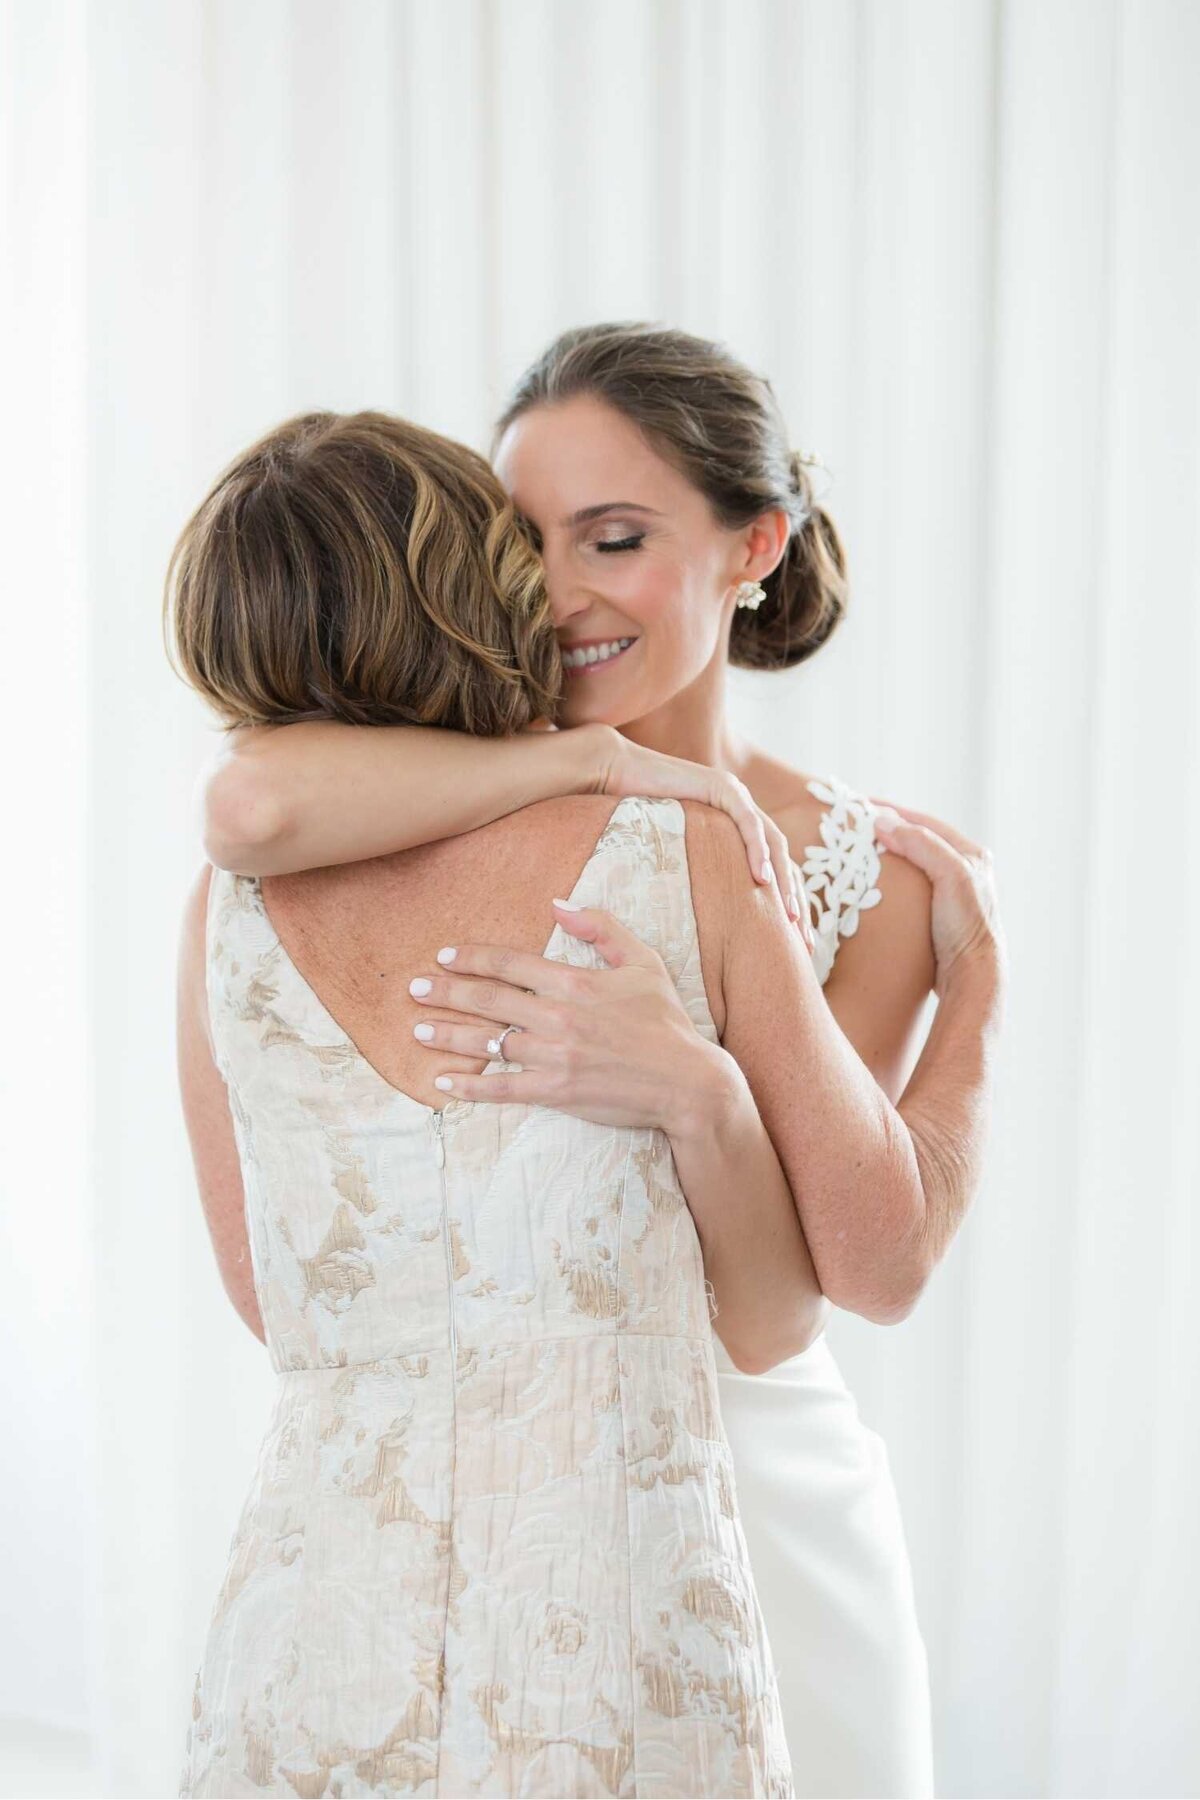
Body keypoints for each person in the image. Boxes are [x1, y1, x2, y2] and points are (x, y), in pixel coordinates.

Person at [198, 325, 1007, 1798]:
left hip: (758, 1479)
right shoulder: (408, 795)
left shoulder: (847, 868)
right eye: (526, 541)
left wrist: (972, 990)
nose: (562, 593)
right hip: (494, 1502)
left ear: (752, 545)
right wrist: (587, 762)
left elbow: (831, 1279)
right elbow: (244, 804)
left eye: (616, 538)